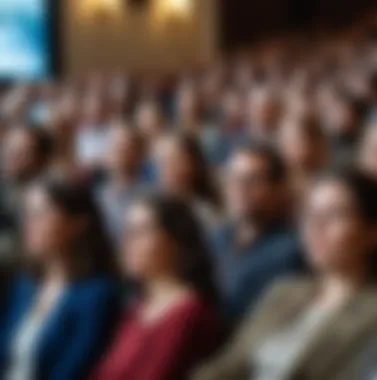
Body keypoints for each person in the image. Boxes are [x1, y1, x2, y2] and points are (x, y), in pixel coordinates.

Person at [193, 168, 377, 380]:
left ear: (374, 232)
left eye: (335, 214)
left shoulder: (375, 311)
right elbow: (230, 362)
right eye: (310, 214)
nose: (316, 226)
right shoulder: (283, 291)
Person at [90, 194, 223, 380]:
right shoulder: (137, 308)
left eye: (140, 232)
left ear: (175, 241)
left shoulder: (191, 315)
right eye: (128, 232)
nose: (127, 243)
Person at [0, 178, 121, 380]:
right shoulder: (26, 283)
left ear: (77, 224)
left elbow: (71, 372)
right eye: (28, 214)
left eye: (41, 214)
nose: (30, 224)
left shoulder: (97, 295)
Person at [213, 143, 305, 322]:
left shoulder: (292, 252)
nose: (240, 188)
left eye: (253, 181)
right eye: (233, 179)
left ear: (278, 188)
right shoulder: (216, 239)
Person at [0, 127, 54, 260]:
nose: (12, 156)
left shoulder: (52, 197)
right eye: (9, 149)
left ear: (43, 158)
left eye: (23, 152)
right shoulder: (4, 188)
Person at [154, 132, 221, 228]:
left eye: (174, 160)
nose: (166, 167)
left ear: (192, 165)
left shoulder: (205, 215)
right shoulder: (149, 211)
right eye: (161, 161)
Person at [96, 122, 147, 243]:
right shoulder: (96, 197)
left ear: (140, 155)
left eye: (127, 147)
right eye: (115, 146)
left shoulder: (153, 198)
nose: (120, 152)